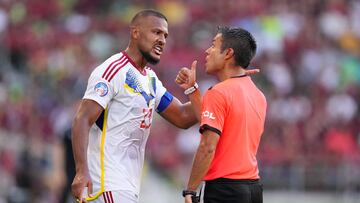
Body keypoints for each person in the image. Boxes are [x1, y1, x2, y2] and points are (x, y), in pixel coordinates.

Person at [70, 9, 202, 203]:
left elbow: (183, 117)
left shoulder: (149, 79)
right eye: (156, 32)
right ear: (135, 32)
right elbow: (82, 119)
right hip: (108, 184)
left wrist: (206, 90)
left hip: (126, 185)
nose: (162, 40)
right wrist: (81, 171)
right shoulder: (112, 70)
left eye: (165, 35)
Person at [176, 27, 267, 203]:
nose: (207, 51)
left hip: (225, 191)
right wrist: (192, 90)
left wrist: (191, 190)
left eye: (213, 46)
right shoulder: (259, 95)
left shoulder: (218, 93)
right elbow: (209, 119)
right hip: (253, 189)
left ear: (228, 53)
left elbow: (207, 147)